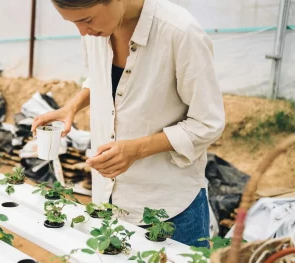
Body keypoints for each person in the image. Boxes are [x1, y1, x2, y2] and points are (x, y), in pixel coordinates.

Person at [31, 0, 225, 247]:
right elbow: (102, 77)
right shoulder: (95, 31)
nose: (82, 32)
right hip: (107, 200)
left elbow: (208, 122)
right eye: (73, 23)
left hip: (169, 209)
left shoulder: (180, 32)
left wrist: (136, 150)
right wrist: (72, 106)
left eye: (87, 20)